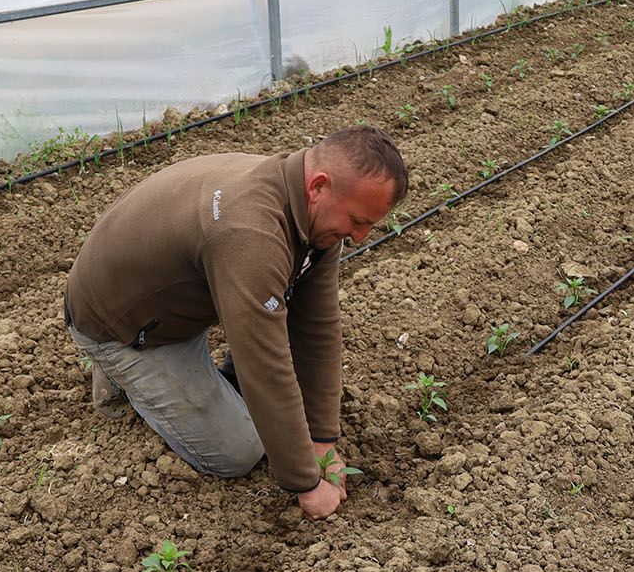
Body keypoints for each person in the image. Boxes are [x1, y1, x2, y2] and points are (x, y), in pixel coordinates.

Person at [63, 126, 408, 519]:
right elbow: (265, 365)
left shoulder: (311, 214)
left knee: (271, 370)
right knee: (239, 449)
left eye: (369, 225)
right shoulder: (249, 231)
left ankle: (199, 384)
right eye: (358, 220)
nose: (361, 237)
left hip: (179, 300)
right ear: (319, 187)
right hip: (122, 322)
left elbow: (318, 327)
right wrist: (307, 483)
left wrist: (322, 441)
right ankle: (119, 375)